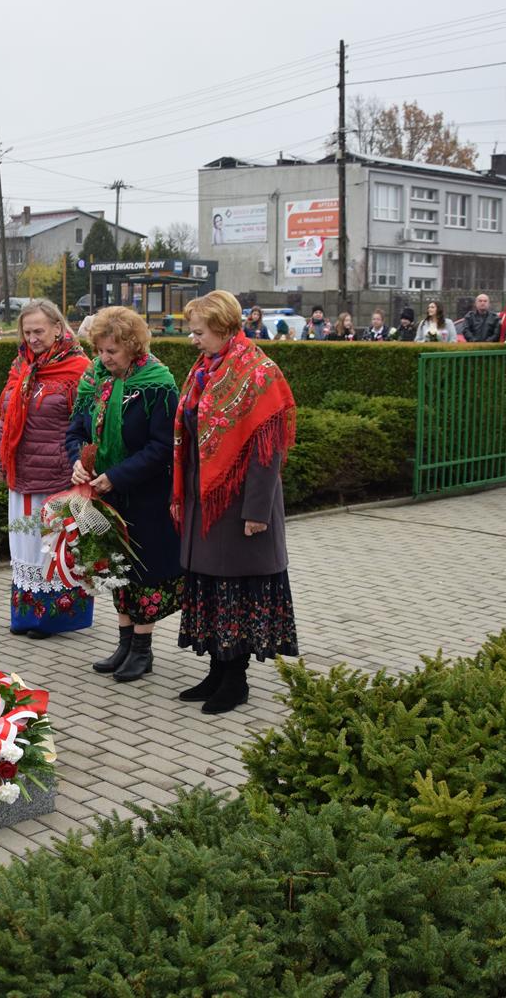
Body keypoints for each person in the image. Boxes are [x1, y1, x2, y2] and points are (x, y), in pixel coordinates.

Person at [172, 290, 297, 715]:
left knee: (235, 590)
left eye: (199, 332)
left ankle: (236, 679)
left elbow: (269, 449)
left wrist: (257, 513)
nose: (194, 339)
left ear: (224, 328)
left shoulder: (259, 372)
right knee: (210, 586)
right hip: (204, 499)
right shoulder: (206, 367)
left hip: (238, 503)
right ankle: (216, 671)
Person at [66, 307, 183, 682]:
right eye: (100, 350)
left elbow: (162, 446)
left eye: (112, 351)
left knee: (143, 572)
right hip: (104, 494)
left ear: (133, 346)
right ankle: (124, 642)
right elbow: (75, 432)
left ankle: (143, 651)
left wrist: (117, 476)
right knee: (115, 567)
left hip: (144, 496)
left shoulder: (159, 384)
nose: (104, 359)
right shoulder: (93, 381)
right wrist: (78, 463)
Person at [0, 300, 92, 638]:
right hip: (21, 473)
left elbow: (89, 426)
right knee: (24, 544)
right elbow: (6, 419)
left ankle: (54, 618)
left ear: (58, 329)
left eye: (39, 331)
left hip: (58, 475)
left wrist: (82, 467)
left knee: (51, 546)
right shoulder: (21, 365)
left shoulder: (79, 369)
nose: (32, 338)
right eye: (27, 331)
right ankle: (26, 615)